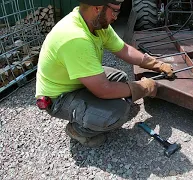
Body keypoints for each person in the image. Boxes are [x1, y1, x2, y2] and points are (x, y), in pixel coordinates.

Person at [35, 0, 174, 148]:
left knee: (121, 78)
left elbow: (124, 50)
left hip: (74, 80)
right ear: (97, 8)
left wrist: (156, 64)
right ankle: (77, 130)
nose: (115, 17)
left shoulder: (94, 23)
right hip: (59, 97)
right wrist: (144, 88)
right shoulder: (75, 37)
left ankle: (95, 110)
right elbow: (103, 90)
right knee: (118, 112)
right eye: (114, 11)